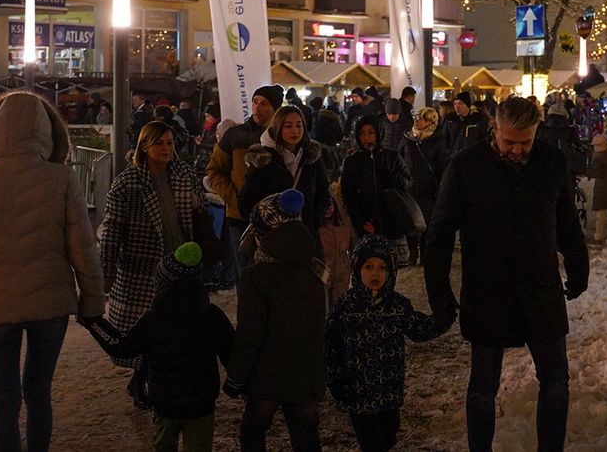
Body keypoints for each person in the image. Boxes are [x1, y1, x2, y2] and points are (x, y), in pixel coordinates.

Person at [424, 97, 589, 452]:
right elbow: (440, 232)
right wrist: (439, 293)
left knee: (556, 382)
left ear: (536, 132)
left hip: (540, 289)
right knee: (483, 386)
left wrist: (579, 267)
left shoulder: (552, 163)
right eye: (509, 141)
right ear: (494, 129)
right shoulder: (465, 166)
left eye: (525, 142)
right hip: (488, 292)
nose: (516, 150)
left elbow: (566, 223)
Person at [0, 92, 105, 452]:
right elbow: (82, 247)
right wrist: (92, 300)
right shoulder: (62, 178)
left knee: (4, 401)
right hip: (50, 302)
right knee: (39, 393)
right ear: (48, 133)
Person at [81, 243, 234, 452]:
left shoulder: (153, 319)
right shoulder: (213, 316)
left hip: (165, 405)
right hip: (202, 403)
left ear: (162, 281)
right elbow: (232, 354)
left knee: (164, 446)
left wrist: (94, 323)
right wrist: (237, 385)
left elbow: (122, 347)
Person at [100, 120, 207, 409]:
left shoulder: (183, 173)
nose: (166, 148)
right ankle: (141, 381)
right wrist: (106, 274)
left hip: (180, 264)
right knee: (146, 329)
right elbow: (112, 230)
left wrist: (199, 204)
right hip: (142, 268)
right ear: (144, 146)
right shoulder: (128, 182)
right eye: (159, 143)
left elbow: (201, 209)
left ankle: (155, 383)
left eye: (169, 142)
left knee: (175, 328)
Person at [326, 235, 453, 452]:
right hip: (357, 392)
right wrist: (335, 378)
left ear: (391, 271)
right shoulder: (346, 306)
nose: (375, 273)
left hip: (388, 391)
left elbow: (418, 329)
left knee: (389, 438)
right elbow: (330, 343)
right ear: (357, 269)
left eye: (382, 268)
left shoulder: (397, 305)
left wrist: (443, 319)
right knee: (372, 443)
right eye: (368, 267)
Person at [224, 190, 326, 452]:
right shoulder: (314, 268)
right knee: (306, 437)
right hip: (305, 373)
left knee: (253, 432)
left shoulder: (257, 276)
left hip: (266, 377)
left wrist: (236, 378)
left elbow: (250, 333)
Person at [205, 84, 282, 289]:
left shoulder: (281, 136)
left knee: (273, 276)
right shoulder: (235, 135)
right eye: (255, 102)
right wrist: (232, 197)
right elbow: (214, 169)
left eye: (264, 103)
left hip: (275, 217)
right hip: (240, 217)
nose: (257, 107)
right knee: (245, 275)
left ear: (275, 109)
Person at [238, 105, 330, 246]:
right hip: (273, 240)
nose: (295, 131)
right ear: (278, 127)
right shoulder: (264, 158)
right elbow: (245, 202)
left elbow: (323, 192)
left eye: (299, 125)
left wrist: (314, 220)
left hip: (307, 236)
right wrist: (265, 226)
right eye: (288, 126)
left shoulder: (311, 156)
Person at [339, 115, 412, 265]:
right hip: (367, 225)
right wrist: (361, 222)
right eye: (362, 133)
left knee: (391, 267)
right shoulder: (352, 162)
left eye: (371, 132)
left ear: (379, 133)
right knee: (369, 267)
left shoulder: (392, 156)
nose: (366, 137)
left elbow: (407, 185)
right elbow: (349, 196)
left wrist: (390, 174)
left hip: (392, 223)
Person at [398, 107, 447, 266]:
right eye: (416, 117)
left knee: (426, 222)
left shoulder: (437, 141)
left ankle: (425, 253)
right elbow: (398, 159)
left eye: (422, 118)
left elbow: (441, 166)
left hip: (428, 189)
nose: (417, 120)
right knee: (410, 220)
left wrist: (440, 187)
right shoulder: (407, 138)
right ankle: (412, 252)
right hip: (409, 188)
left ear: (431, 122)